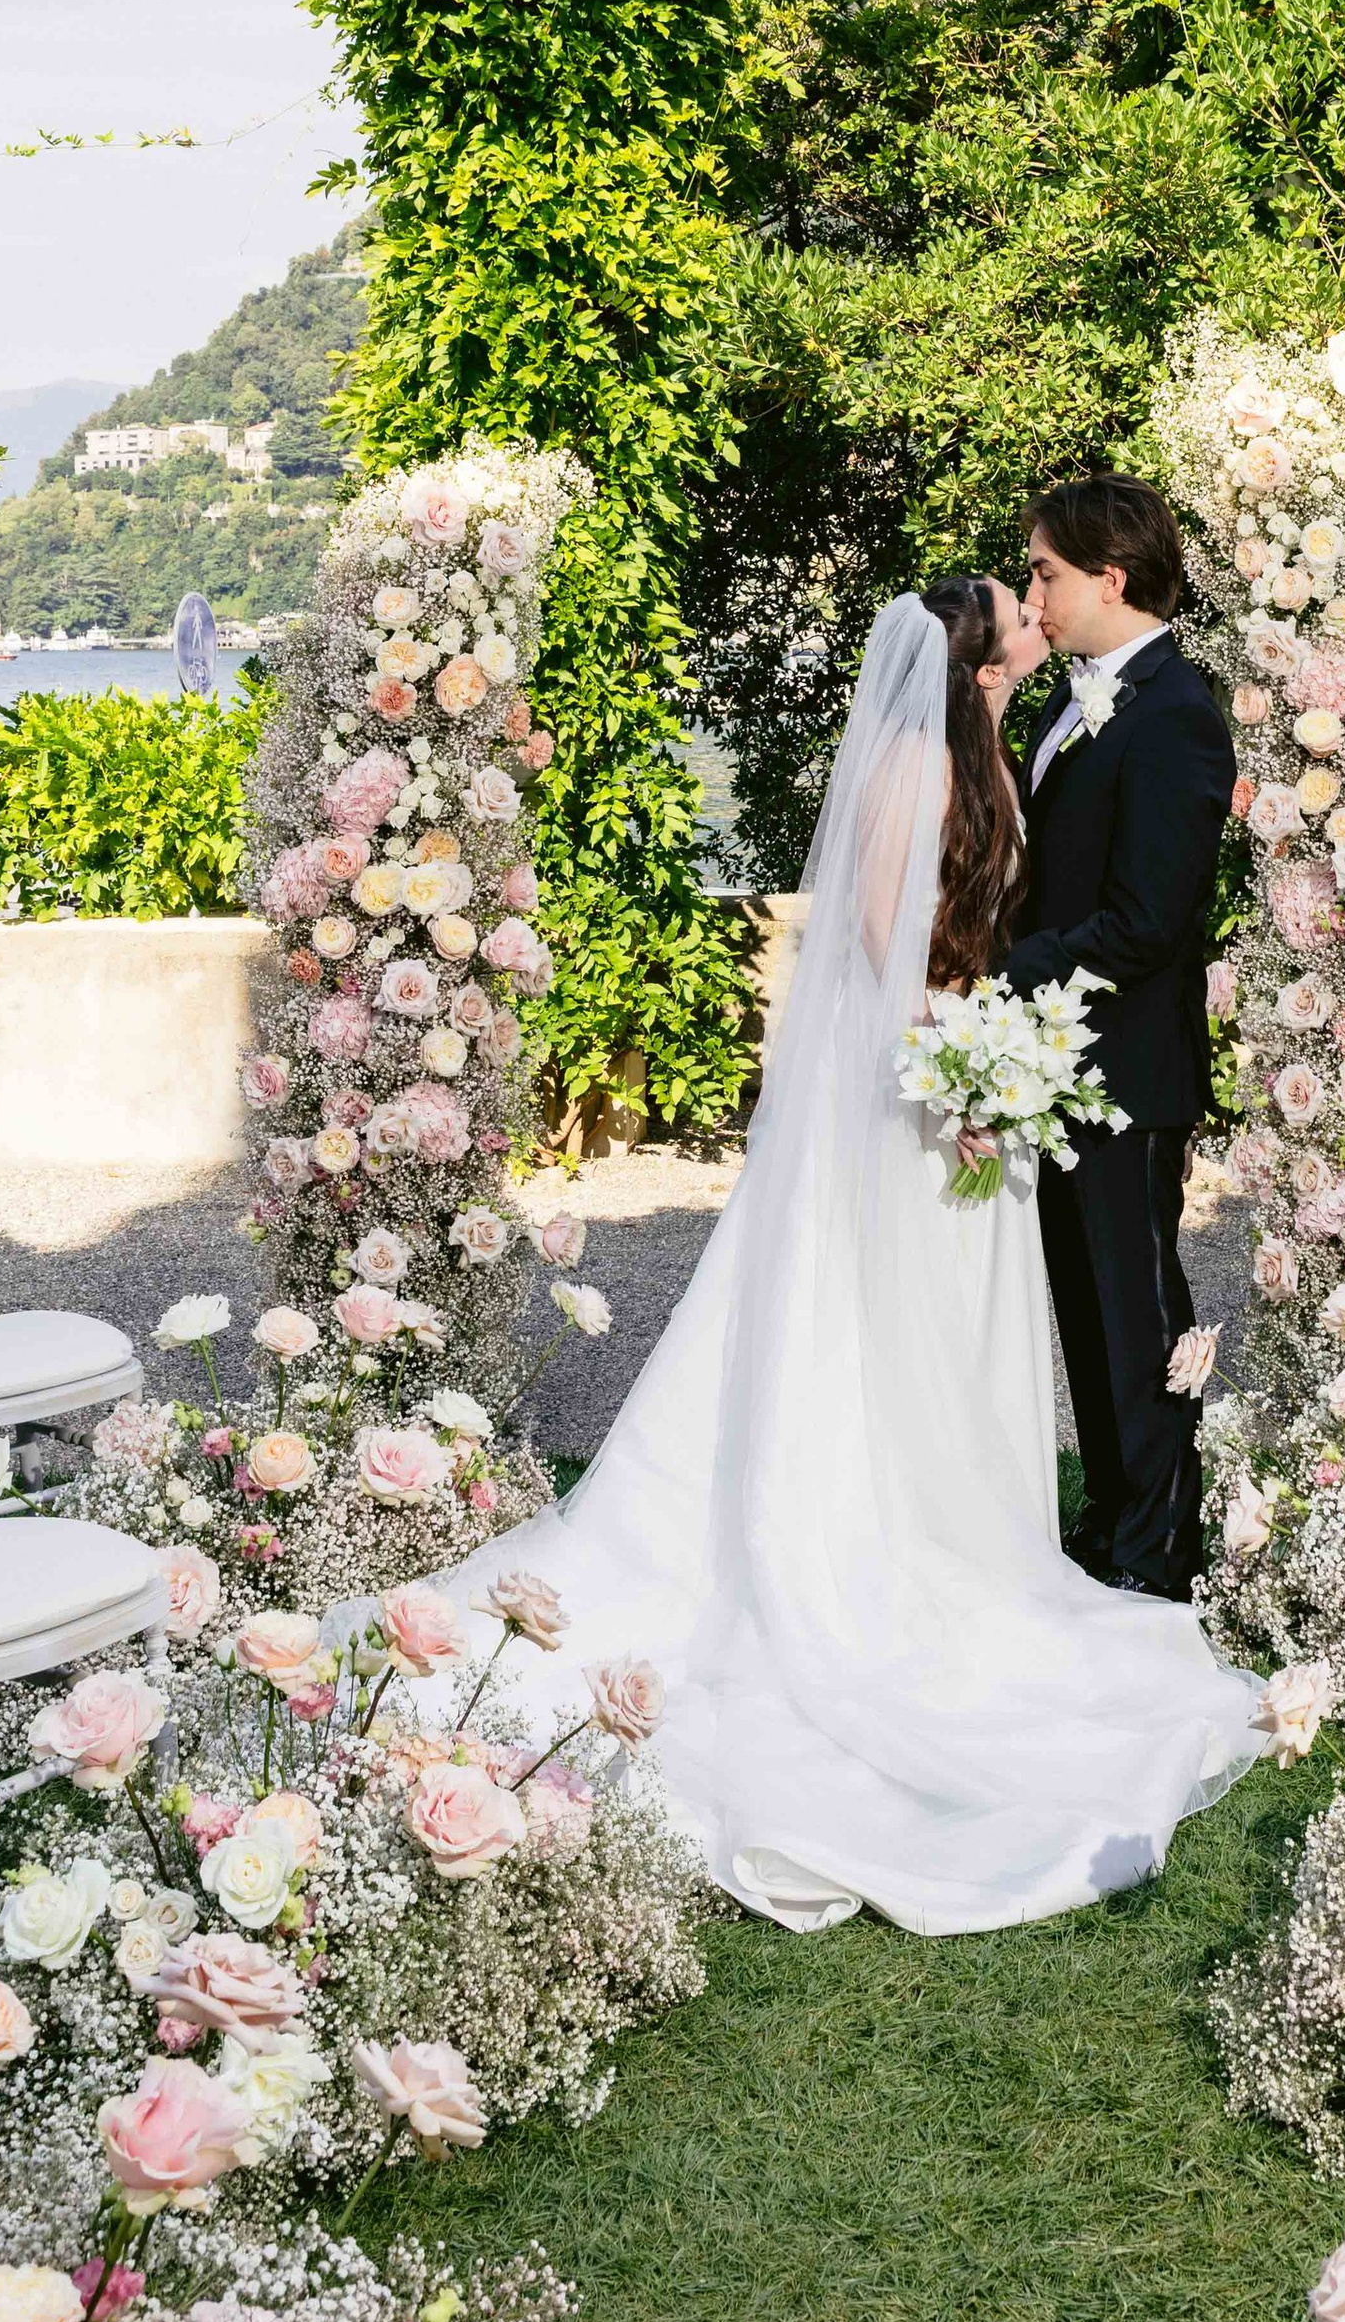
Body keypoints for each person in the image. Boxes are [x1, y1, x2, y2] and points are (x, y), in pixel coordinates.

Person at [422, 574, 1261, 1933]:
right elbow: (886, 945)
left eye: (1040, 587)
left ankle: (962, 1536)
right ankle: (872, 1554)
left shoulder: (999, 740)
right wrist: (972, 1046)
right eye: (1018, 603)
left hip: (975, 1083)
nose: (1037, 609)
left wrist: (996, 1041)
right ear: (976, 653)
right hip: (923, 1090)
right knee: (866, 1334)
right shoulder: (918, 769)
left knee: (943, 1341)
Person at [1008, 477, 1237, 1601]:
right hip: (1056, 1072)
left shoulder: (1176, 714)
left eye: (1045, 572)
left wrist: (1005, 976)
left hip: (1127, 1077)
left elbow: (1150, 922)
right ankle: (1109, 1527)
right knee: (1086, 1319)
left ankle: (1156, 1555)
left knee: (1138, 1320)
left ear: (1112, 576)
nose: (1030, 592)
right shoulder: (1073, 701)